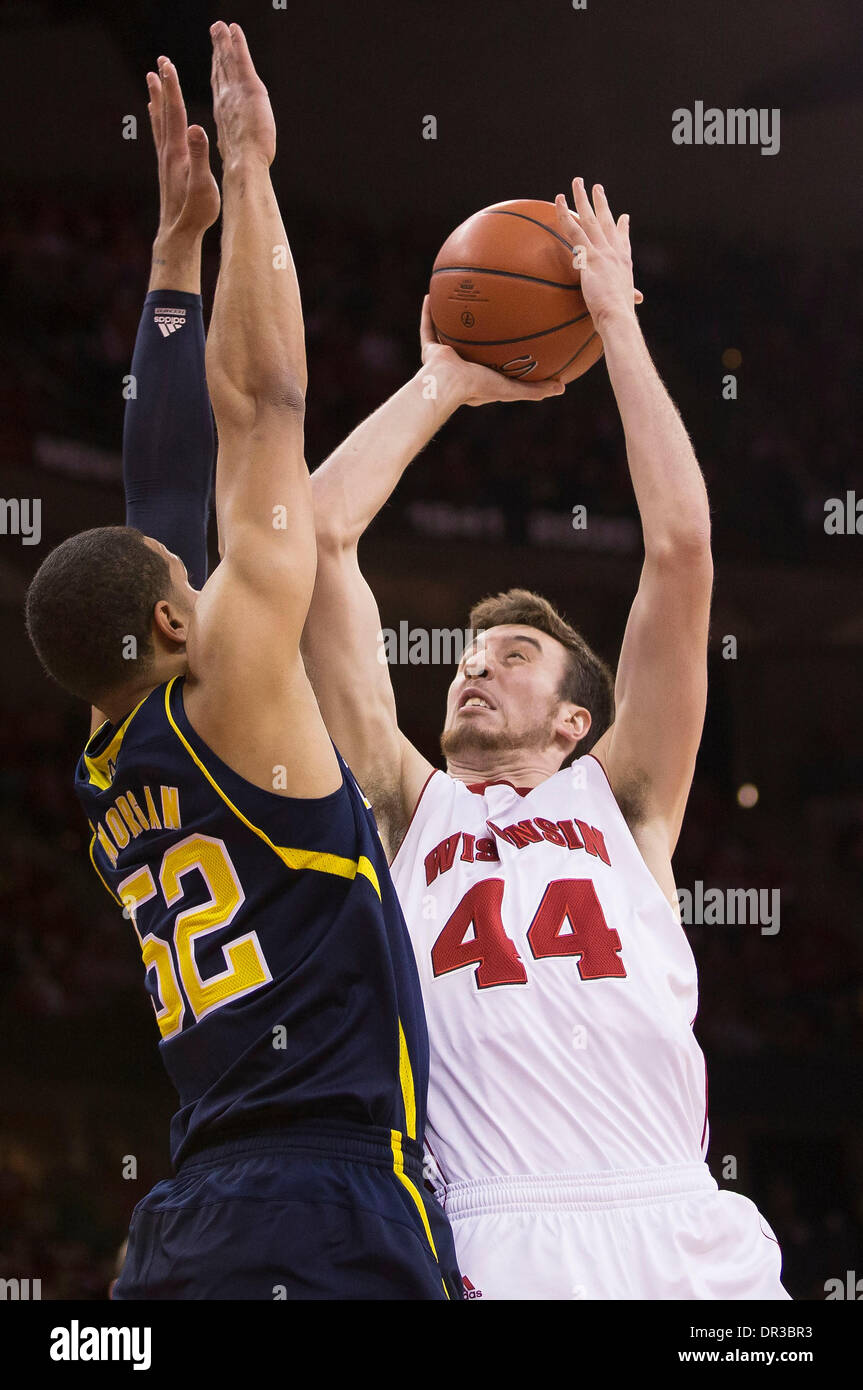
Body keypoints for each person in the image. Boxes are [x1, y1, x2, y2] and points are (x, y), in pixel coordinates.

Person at [24, 23, 459, 1301]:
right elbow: (264, 405)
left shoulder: (119, 750)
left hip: (184, 1221)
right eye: (191, 586)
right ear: (174, 624)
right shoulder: (234, 686)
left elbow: (155, 502)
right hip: (328, 1201)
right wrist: (257, 175)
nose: (206, 574)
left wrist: (174, 250)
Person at [302, 178, 789, 1299]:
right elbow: (321, 538)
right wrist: (439, 383)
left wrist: (613, 320)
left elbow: (680, 550)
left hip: (674, 1220)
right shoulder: (401, 800)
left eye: (513, 654)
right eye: (468, 655)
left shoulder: (625, 803)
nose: (475, 664)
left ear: (578, 720)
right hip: (493, 1227)